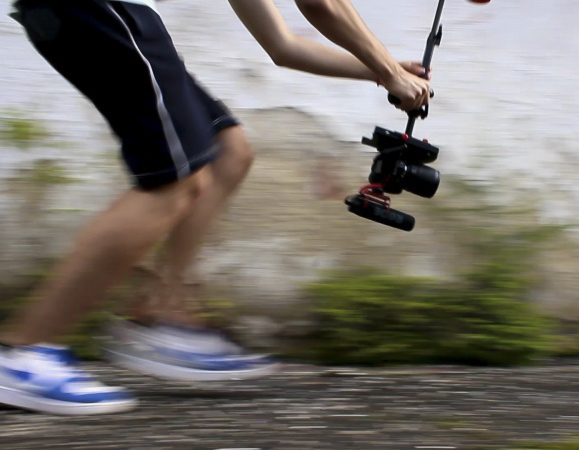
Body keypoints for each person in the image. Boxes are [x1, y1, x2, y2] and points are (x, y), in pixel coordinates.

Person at [1, 0, 430, 415]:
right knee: (174, 184)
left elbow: (282, 44)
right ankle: (24, 351)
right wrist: (390, 72)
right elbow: (320, 4)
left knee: (228, 150)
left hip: (92, 13)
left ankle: (161, 318)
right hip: (102, 10)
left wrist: (383, 70)